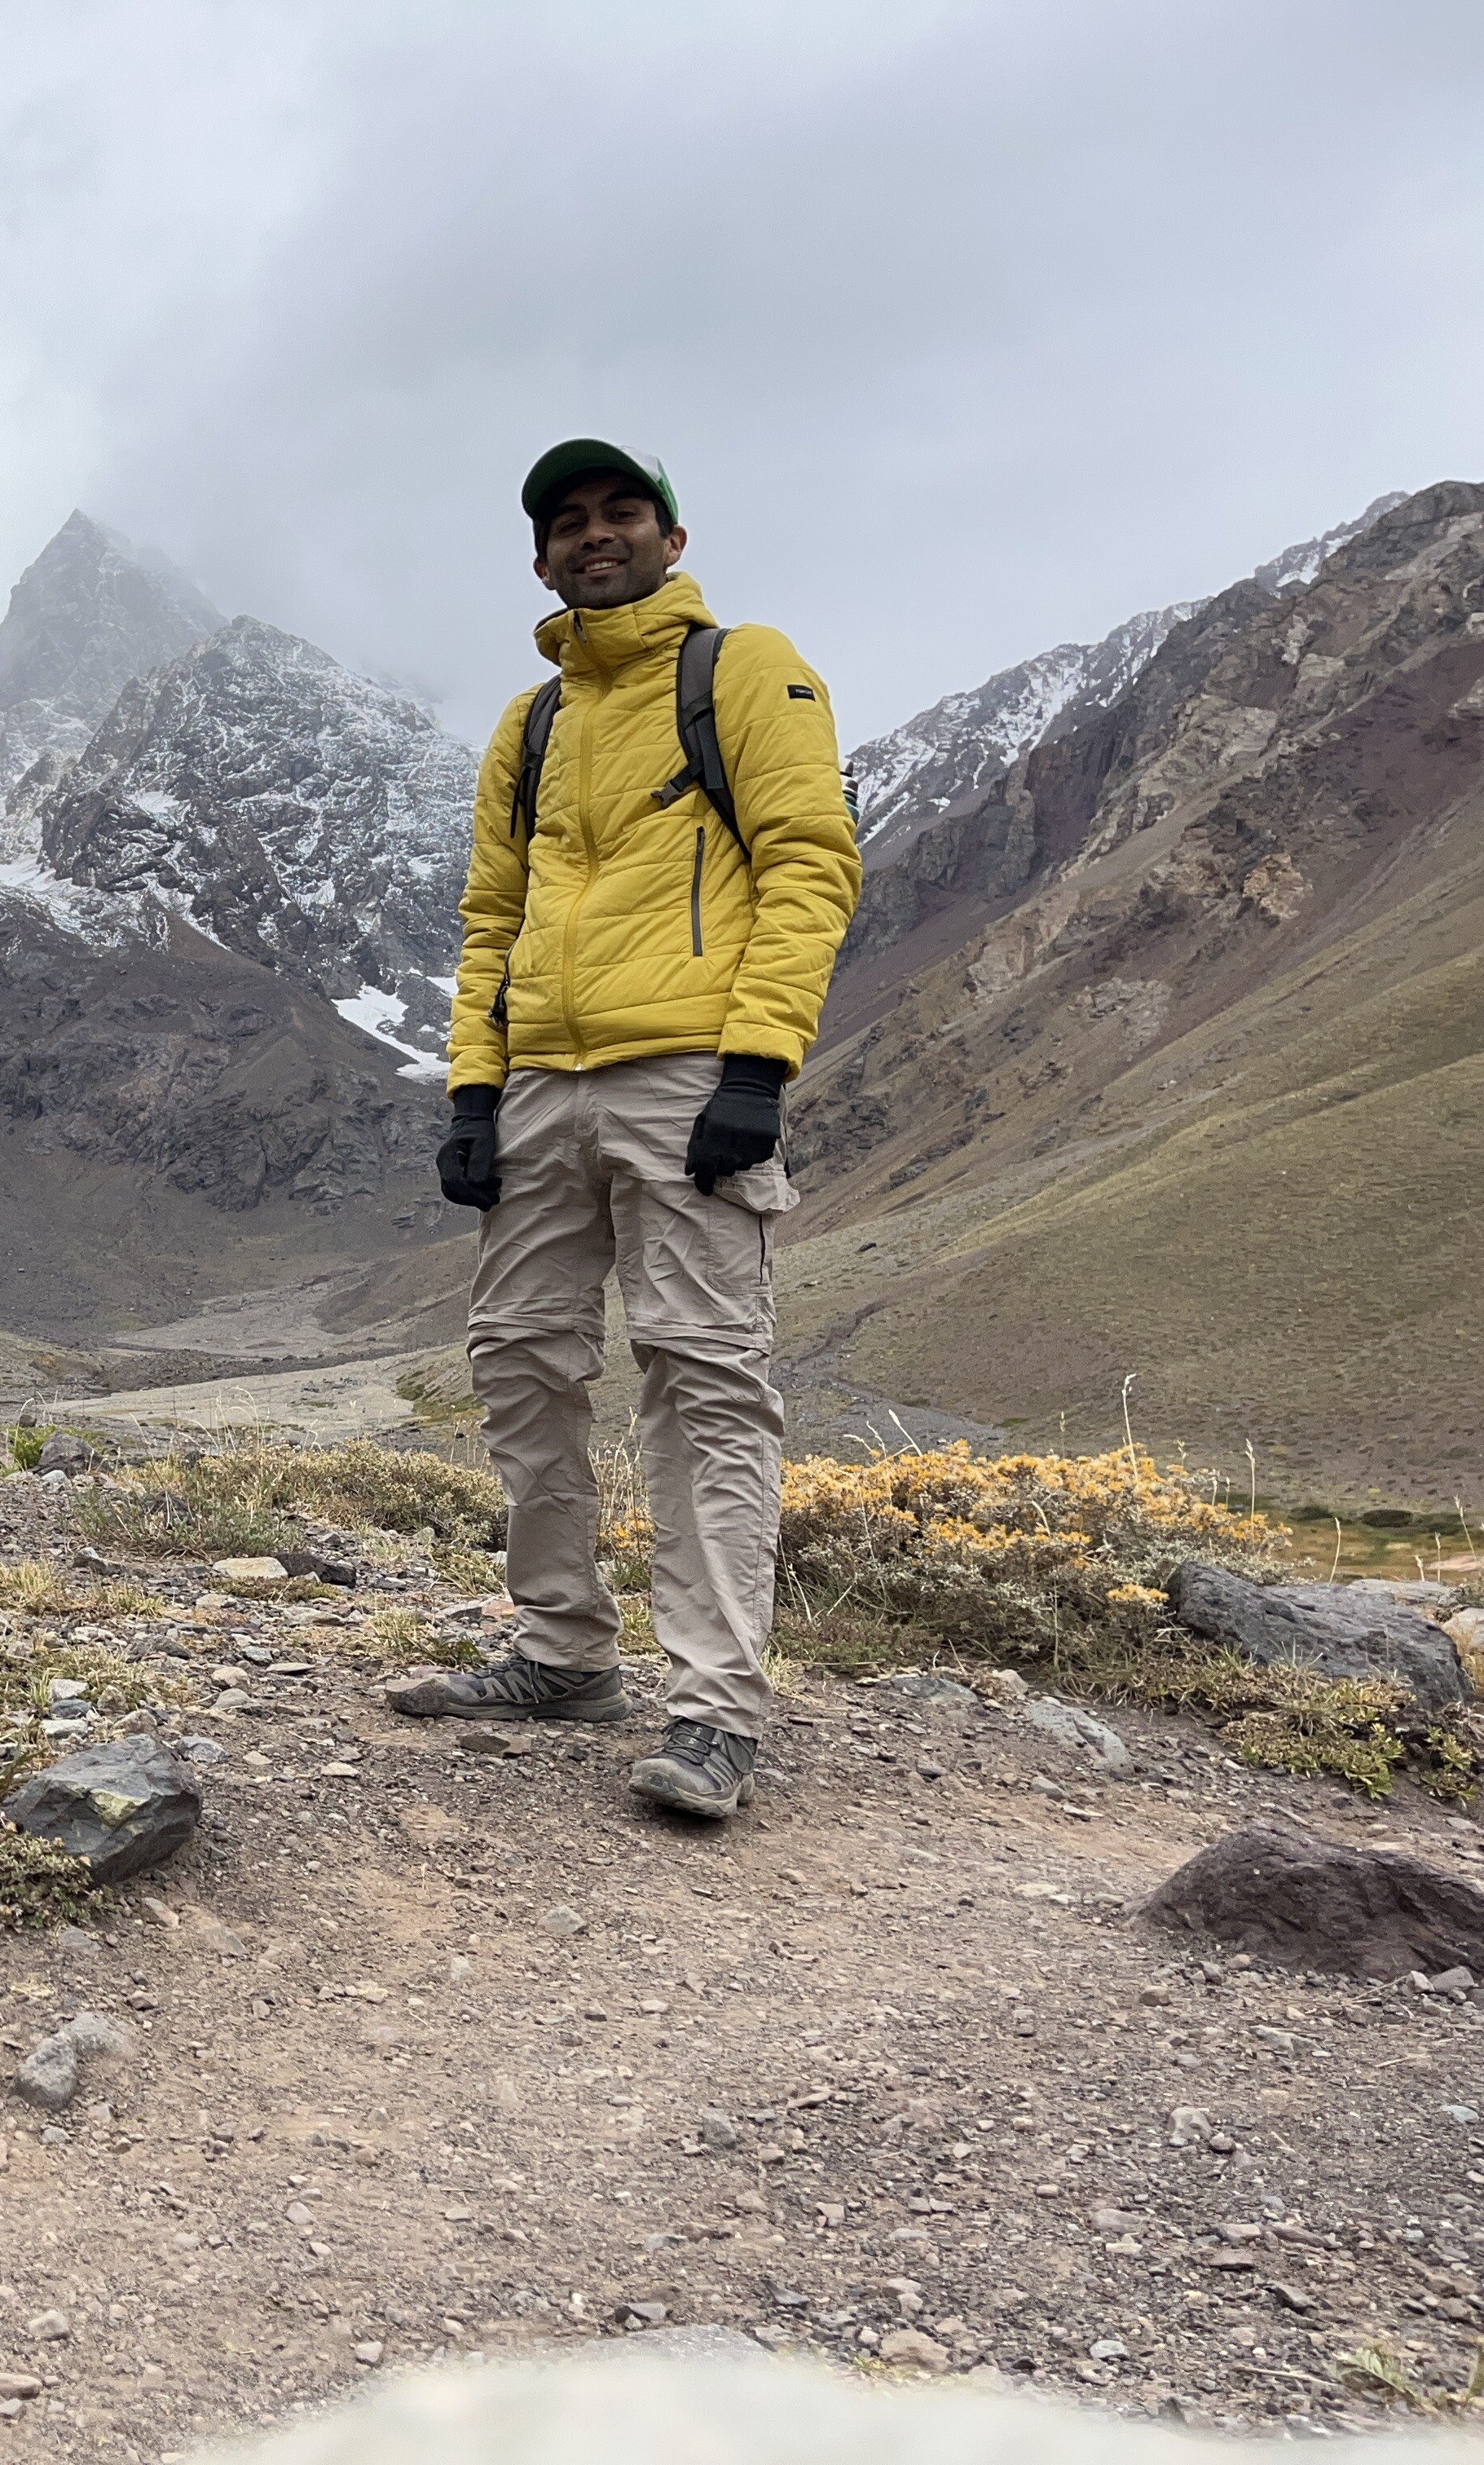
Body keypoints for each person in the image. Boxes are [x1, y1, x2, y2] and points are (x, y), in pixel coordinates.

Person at [391, 440, 860, 1819]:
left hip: (688, 1074)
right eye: (568, 524)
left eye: (620, 514)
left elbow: (809, 864)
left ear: (669, 533)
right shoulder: (528, 729)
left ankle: (715, 1708)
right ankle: (561, 1653)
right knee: (520, 1362)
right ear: (540, 560)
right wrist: (475, 1093)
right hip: (540, 1085)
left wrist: (758, 1067)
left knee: (703, 1376)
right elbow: (492, 922)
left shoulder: (744, 669)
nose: (595, 537)